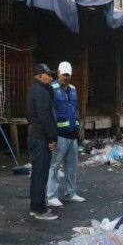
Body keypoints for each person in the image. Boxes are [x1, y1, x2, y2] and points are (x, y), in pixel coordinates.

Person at [46, 61, 85, 207]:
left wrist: (79, 126)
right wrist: (50, 133)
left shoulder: (73, 89)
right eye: (63, 75)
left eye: (68, 75)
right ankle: (51, 196)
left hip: (72, 134)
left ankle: (71, 193)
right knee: (54, 165)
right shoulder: (52, 88)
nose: (65, 77)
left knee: (71, 166)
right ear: (58, 73)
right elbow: (48, 111)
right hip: (59, 134)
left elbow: (75, 109)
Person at [26, 63, 58, 220]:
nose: (51, 77)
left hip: (36, 136)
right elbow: (45, 116)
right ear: (39, 75)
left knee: (37, 174)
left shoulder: (36, 90)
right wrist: (52, 137)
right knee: (41, 174)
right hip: (41, 138)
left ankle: (35, 206)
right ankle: (40, 209)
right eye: (48, 75)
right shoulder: (40, 92)